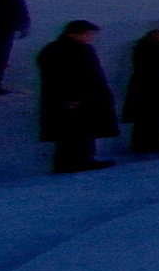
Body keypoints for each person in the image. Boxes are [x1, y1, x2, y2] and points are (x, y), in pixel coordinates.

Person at [38, 20, 118, 173]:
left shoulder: (80, 48)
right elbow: (59, 76)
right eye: (88, 33)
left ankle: (82, 159)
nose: (91, 37)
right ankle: (72, 162)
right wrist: (70, 97)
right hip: (74, 98)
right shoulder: (60, 50)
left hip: (85, 97)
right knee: (72, 131)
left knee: (83, 130)